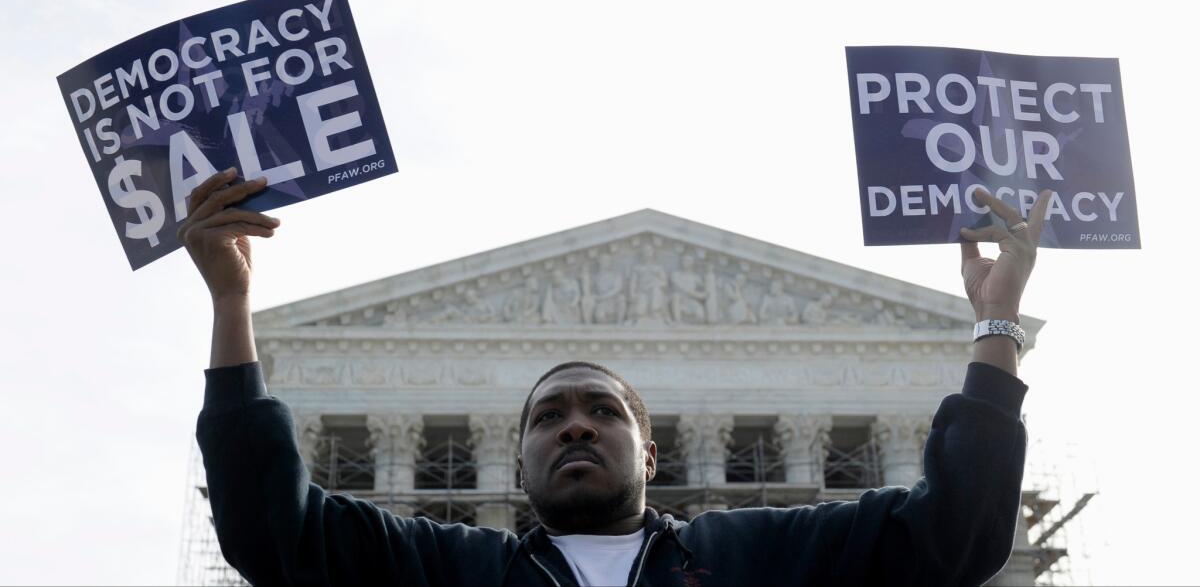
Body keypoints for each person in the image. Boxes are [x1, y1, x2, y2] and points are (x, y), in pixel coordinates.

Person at [184, 168, 1048, 586]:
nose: (576, 424)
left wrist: (994, 322)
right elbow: (274, 533)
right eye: (547, 414)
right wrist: (232, 302)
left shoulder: (750, 555)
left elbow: (957, 534)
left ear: (651, 452)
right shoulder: (457, 569)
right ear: (517, 462)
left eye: (603, 408)